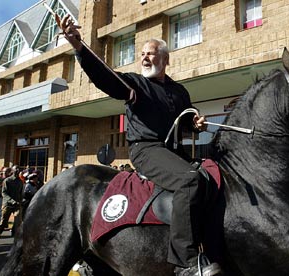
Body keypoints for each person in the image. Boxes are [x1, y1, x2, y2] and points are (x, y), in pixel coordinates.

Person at [57, 15, 222, 276]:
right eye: (142, 54)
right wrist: (78, 47)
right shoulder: (136, 84)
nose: (144, 58)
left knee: (211, 178)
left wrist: (196, 124)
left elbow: (188, 118)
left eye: (151, 53)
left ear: (165, 60)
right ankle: (185, 263)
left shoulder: (180, 91)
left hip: (173, 150)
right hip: (146, 150)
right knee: (190, 181)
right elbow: (105, 77)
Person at [0, 165, 23, 245]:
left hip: (17, 205)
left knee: (18, 221)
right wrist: (12, 201)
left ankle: (17, 238)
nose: (18, 170)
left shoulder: (20, 181)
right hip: (7, 204)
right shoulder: (7, 181)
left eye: (19, 169)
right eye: (16, 169)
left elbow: (21, 193)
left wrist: (21, 201)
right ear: (12, 170)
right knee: (3, 222)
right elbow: (4, 193)